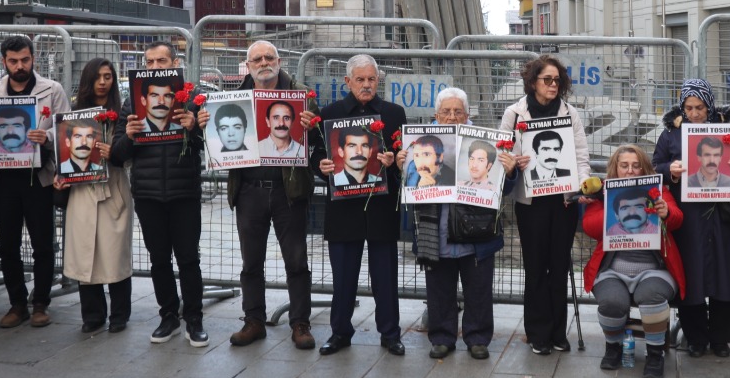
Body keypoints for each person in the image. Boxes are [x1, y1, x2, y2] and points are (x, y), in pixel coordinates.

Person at [199, 40, 320, 350]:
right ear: (248, 65)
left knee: (296, 260)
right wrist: (203, 125)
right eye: (258, 59)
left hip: (288, 191)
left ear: (279, 61)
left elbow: (319, 142)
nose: (264, 62)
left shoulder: (302, 95)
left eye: (269, 57)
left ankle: (300, 323)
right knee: (251, 261)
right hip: (249, 191)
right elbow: (217, 140)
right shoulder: (234, 96)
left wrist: (311, 126)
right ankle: (253, 320)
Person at [400, 89, 515, 360]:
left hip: (477, 230)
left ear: (468, 114)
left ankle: (477, 338)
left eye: (458, 112)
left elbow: (505, 189)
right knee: (439, 287)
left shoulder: (486, 142)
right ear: (436, 116)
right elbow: (406, 188)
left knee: (478, 287)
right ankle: (442, 337)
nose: (452, 117)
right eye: (446, 112)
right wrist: (400, 168)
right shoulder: (419, 144)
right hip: (434, 229)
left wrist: (509, 172)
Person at [116, 42, 208, 347]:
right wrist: (129, 137)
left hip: (184, 192)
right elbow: (117, 154)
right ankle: (168, 315)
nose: (155, 66)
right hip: (148, 194)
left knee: (188, 259)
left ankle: (193, 319)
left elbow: (207, 147)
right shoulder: (131, 105)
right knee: (159, 260)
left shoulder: (191, 100)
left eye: (161, 60)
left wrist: (193, 128)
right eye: (150, 61)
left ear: (175, 61)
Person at [0, 35, 70, 329]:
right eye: (14, 61)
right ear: (4, 61)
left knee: (43, 243)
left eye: (25, 60)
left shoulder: (52, 90)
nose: (20, 66)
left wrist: (49, 137)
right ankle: (17, 303)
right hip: (3, 180)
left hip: (38, 178)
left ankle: (40, 302)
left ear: (33, 59)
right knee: (8, 245)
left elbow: (65, 130)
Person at [651, 79, 730, 357]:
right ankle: (695, 338)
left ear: (710, 105)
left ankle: (720, 338)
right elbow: (655, 166)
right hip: (689, 215)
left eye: (700, 107)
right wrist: (671, 168)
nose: (694, 113)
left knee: (725, 274)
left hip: (722, 214)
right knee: (690, 274)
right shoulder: (671, 135)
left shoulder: (728, 132)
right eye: (688, 107)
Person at [315, 54, 404, 355]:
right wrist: (322, 167)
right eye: (360, 80)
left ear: (378, 80)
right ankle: (340, 332)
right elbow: (316, 157)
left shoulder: (393, 113)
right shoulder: (329, 114)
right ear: (347, 81)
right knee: (343, 277)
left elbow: (402, 160)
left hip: (381, 208)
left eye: (371, 80)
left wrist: (393, 162)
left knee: (386, 276)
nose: (366, 85)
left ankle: (390, 333)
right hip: (343, 210)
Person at [501, 55, 588, 355]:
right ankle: (538, 332)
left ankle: (557, 332)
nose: (553, 85)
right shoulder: (514, 113)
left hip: (563, 201)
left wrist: (583, 186)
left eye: (557, 81)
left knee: (559, 264)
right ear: (533, 82)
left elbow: (580, 157)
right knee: (536, 266)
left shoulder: (570, 113)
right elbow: (503, 157)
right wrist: (514, 162)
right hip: (531, 200)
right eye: (547, 80)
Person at [580, 145, 685, 378]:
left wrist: (666, 212)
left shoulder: (658, 191)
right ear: (615, 168)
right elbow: (590, 227)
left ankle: (655, 354)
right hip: (613, 269)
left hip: (654, 268)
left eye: (636, 165)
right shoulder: (603, 193)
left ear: (644, 168)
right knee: (611, 301)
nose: (630, 171)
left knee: (651, 296)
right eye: (624, 165)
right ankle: (613, 347)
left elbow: (678, 219)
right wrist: (607, 202)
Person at [55, 58, 134, 335]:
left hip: (113, 188)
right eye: (98, 77)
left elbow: (128, 154)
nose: (103, 82)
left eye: (108, 76)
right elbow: (62, 156)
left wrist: (115, 152)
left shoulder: (122, 113)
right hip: (81, 192)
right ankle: (92, 315)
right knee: (85, 254)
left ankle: (120, 315)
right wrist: (60, 175)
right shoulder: (72, 114)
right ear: (88, 80)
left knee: (115, 256)